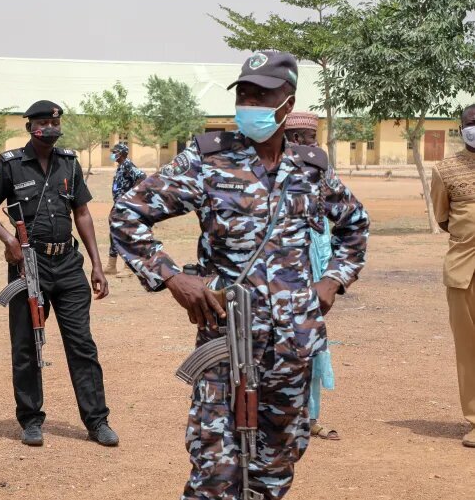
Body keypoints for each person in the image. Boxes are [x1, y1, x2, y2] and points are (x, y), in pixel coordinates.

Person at [110, 51, 369, 499]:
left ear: (287, 102)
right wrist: (173, 277)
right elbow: (127, 214)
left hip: (293, 340)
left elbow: (354, 226)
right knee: (216, 466)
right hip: (225, 336)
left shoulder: (311, 169)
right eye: (244, 93)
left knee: (278, 458)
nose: (250, 102)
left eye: (262, 94)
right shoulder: (208, 159)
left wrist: (332, 280)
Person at [0, 100, 118, 447]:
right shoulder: (10, 164)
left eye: (55, 122)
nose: (50, 127)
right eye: (42, 122)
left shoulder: (69, 162)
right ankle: (30, 420)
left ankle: (97, 421)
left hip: (68, 264)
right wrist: (9, 240)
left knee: (81, 344)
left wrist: (97, 263)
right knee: (26, 345)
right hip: (29, 264)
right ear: (29, 127)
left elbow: (81, 212)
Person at [284, 112, 340, 442]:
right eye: (298, 137)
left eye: (310, 136)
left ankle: (311, 417)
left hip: (316, 265)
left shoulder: (323, 171)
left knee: (313, 343)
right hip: (282, 270)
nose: (306, 143)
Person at [431, 103, 475, 448]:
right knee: (469, 350)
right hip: (464, 273)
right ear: (459, 128)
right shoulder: (444, 170)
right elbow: (443, 219)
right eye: (470, 123)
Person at [104, 143, 146, 277]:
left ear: (121, 153)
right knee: (114, 232)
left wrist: (131, 196)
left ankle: (129, 268)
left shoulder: (128, 165)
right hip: (118, 205)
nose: (112, 154)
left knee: (126, 234)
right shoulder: (121, 167)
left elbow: (142, 176)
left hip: (126, 206)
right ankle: (112, 265)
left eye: (114, 152)